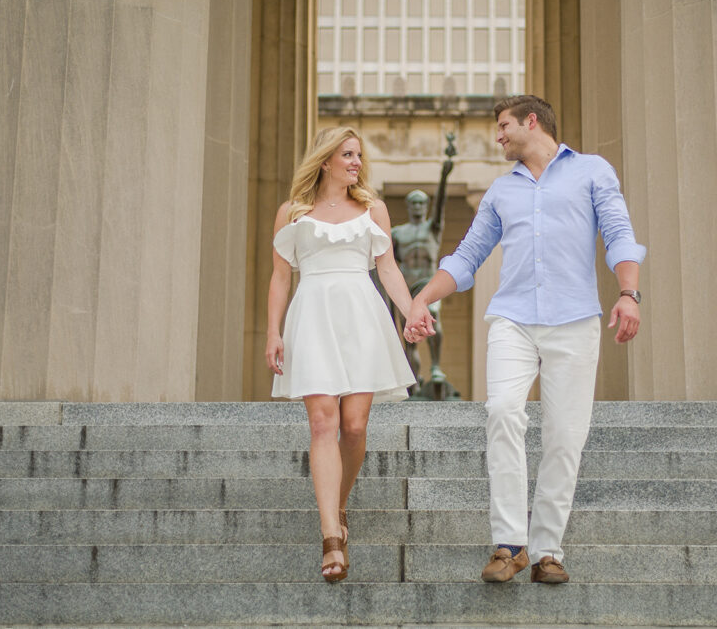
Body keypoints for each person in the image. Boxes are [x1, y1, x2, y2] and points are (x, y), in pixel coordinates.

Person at [406, 95, 646, 584]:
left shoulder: (593, 172)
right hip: (513, 320)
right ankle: (509, 543)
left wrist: (629, 293)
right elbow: (467, 255)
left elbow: (619, 233)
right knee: (502, 412)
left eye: (503, 126)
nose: (498, 136)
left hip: (575, 320)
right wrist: (421, 300)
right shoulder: (500, 191)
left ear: (530, 122)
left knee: (565, 434)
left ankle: (547, 551)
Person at [266, 126, 419, 582]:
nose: (356, 162)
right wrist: (272, 331)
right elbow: (279, 278)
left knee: (353, 426)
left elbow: (387, 269)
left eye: (358, 155)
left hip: (362, 319)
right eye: (347, 154)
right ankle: (331, 536)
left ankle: (339, 502)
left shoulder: (374, 210)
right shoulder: (293, 213)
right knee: (322, 423)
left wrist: (412, 313)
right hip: (312, 316)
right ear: (326, 160)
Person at [390, 134, 455, 393]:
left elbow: (441, 205)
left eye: (422, 203)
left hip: (427, 285)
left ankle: (436, 366)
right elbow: (388, 264)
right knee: (410, 340)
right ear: (408, 206)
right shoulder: (398, 233)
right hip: (406, 286)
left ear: (426, 206)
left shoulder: (432, 228)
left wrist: (444, 175)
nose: (418, 206)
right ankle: (413, 380)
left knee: (434, 320)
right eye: (413, 203)